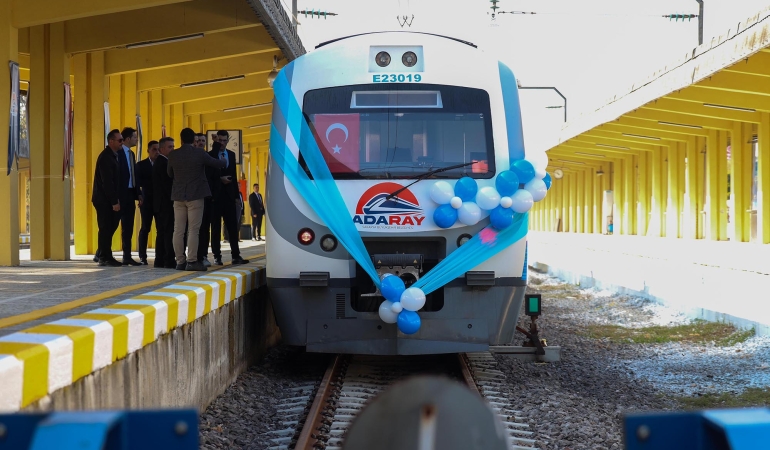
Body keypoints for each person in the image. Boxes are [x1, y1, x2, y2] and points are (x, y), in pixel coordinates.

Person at [167, 128, 227, 271]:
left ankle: (180, 261)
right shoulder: (199, 153)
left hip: (178, 196)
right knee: (193, 230)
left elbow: (169, 173)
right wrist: (224, 160)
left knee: (178, 230)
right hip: (196, 196)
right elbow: (217, 164)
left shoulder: (173, 154)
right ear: (194, 140)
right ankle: (192, 261)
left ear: (181, 139)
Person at [208, 131, 249, 266]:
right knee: (215, 228)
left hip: (229, 197)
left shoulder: (231, 154)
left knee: (232, 227)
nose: (222, 143)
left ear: (227, 141)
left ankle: (236, 255)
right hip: (215, 198)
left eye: (224, 140)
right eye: (219, 140)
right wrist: (220, 180)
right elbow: (209, 176)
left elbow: (234, 175)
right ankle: (217, 256)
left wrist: (237, 196)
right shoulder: (211, 155)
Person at [91, 130, 123, 267]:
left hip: (108, 198)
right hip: (104, 200)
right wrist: (114, 201)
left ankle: (103, 253)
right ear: (111, 142)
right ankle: (104, 256)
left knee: (110, 226)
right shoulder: (106, 157)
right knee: (106, 227)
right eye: (120, 140)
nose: (122, 142)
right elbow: (107, 182)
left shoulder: (113, 156)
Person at [117, 127, 143, 266]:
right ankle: (101, 253)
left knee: (128, 226)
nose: (136, 140)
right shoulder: (118, 153)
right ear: (127, 139)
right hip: (119, 194)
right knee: (112, 225)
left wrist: (138, 193)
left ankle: (127, 255)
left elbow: (134, 175)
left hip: (129, 193)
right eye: (134, 137)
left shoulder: (131, 154)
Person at [152, 137, 176, 268]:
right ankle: (168, 260)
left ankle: (160, 259)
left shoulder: (161, 162)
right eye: (170, 147)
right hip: (165, 204)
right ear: (162, 149)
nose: (172, 149)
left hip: (160, 204)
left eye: (173, 146)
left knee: (162, 232)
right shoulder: (163, 163)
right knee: (167, 232)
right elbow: (168, 186)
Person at [136, 140, 159, 265]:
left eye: (158, 149)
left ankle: (160, 255)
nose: (157, 152)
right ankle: (142, 256)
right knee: (145, 228)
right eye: (154, 149)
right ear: (148, 151)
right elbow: (137, 184)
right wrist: (139, 196)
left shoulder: (164, 164)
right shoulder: (141, 165)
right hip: (146, 201)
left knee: (161, 229)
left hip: (160, 201)